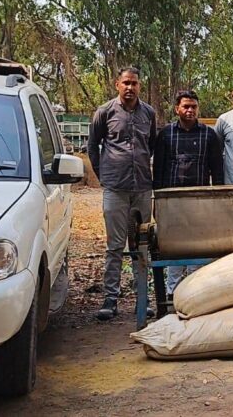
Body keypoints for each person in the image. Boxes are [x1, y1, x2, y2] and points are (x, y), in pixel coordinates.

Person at [87, 66, 158, 321]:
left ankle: (142, 298)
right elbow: (93, 146)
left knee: (140, 244)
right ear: (117, 84)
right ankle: (110, 299)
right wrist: (104, 175)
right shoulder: (105, 112)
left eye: (134, 83)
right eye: (126, 83)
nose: (130, 87)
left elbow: (151, 145)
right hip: (115, 188)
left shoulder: (148, 113)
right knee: (115, 245)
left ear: (139, 86)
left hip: (142, 188)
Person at [152, 90, 224, 301]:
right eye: (186, 106)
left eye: (193, 106)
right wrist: (158, 201)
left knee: (198, 246)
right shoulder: (166, 134)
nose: (190, 110)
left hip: (200, 200)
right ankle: (172, 293)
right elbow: (159, 169)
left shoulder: (208, 135)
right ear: (177, 109)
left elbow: (217, 169)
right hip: (172, 201)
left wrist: (217, 200)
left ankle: (195, 292)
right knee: (174, 246)